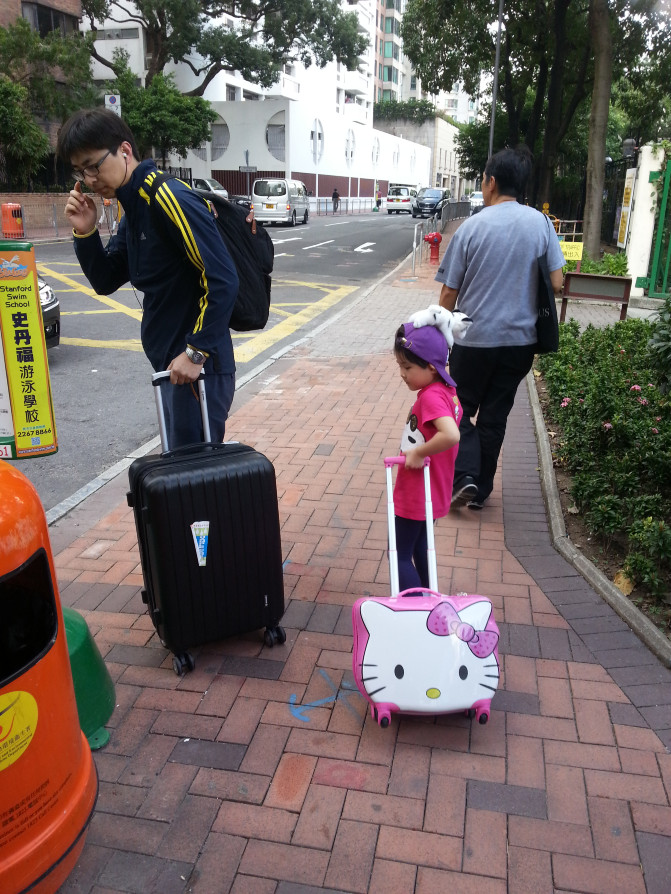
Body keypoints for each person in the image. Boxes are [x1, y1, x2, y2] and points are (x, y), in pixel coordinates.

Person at [57, 108, 239, 448]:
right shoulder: (135, 207)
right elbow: (106, 279)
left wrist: (196, 352)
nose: (89, 179)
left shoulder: (168, 198)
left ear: (125, 151)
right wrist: (85, 232)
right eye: (80, 171)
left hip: (197, 372)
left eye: (93, 165)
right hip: (173, 369)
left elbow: (223, 279)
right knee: (182, 481)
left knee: (196, 483)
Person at [435, 145, 565, 510]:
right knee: (495, 414)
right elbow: (556, 283)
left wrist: (437, 334)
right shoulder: (540, 223)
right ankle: (482, 490)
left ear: (491, 182)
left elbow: (448, 291)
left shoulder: (471, 227)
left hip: (474, 340)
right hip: (520, 344)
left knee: (456, 409)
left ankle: (465, 478)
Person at [393, 315, 463, 591]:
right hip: (433, 488)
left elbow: (451, 434)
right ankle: (430, 602)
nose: (402, 373)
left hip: (417, 488)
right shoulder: (448, 390)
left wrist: (419, 453)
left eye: (407, 367)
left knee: (399, 554)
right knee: (422, 548)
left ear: (432, 367)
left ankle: (415, 610)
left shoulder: (431, 397)